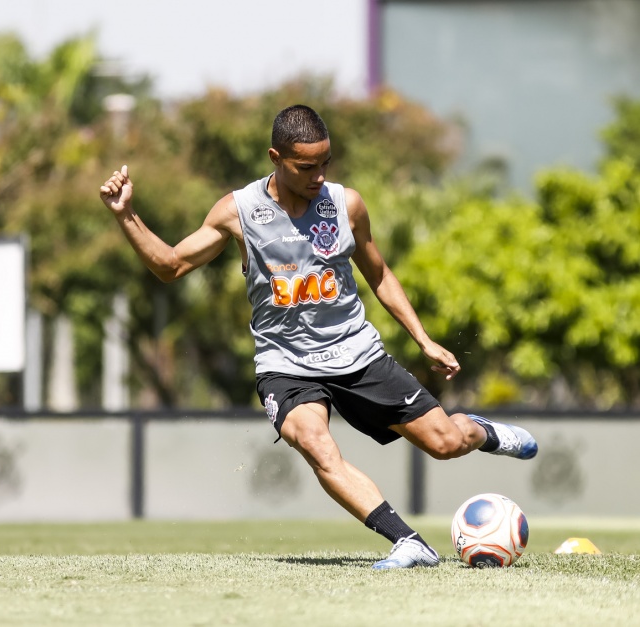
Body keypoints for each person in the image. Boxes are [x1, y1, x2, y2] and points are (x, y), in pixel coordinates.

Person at [98, 104, 538, 569]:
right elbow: (170, 266)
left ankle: (482, 431)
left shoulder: (346, 204)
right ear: (275, 157)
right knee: (315, 442)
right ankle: (408, 542)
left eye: (325, 163)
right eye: (306, 166)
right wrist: (126, 215)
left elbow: (380, 274)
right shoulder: (238, 211)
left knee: (445, 444)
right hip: (285, 364)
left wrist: (424, 339)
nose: (318, 175)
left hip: (357, 352)